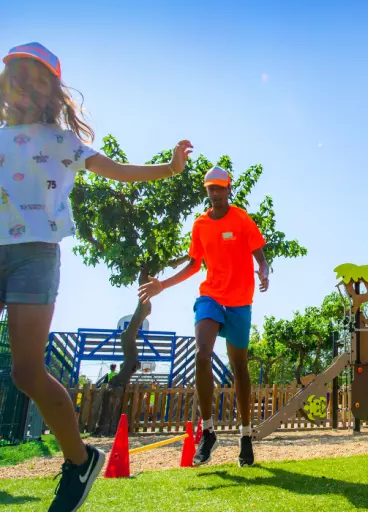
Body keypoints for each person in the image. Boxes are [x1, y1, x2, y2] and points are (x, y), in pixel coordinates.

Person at [0, 42, 192, 512]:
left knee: (26, 372)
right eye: (17, 78)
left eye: (37, 81)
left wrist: (170, 168)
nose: (24, 88)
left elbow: (118, 170)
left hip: (35, 256)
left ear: (51, 94)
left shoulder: (61, 141)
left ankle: (80, 460)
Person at [138, 166, 269, 468]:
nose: (216, 193)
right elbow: (194, 265)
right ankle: (208, 432)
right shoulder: (200, 225)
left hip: (240, 301)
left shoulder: (242, 219)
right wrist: (162, 285)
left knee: (239, 366)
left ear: (229, 189)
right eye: (211, 188)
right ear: (207, 191)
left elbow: (260, 256)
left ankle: (245, 435)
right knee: (202, 353)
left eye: (220, 188)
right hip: (210, 296)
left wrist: (264, 271)